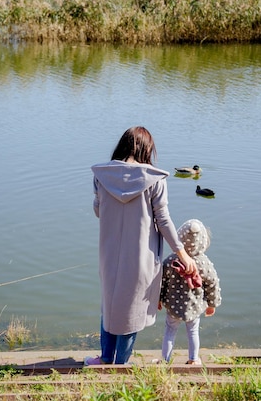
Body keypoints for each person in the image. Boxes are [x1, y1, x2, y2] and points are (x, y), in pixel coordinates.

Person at [85, 126, 197, 366]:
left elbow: (97, 210)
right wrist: (183, 254)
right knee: (131, 312)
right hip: (141, 258)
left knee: (110, 304)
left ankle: (105, 359)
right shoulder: (153, 180)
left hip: (109, 253)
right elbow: (163, 221)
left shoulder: (101, 175)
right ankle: (120, 364)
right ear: (147, 149)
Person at [159, 219, 221, 365]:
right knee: (193, 332)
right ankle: (193, 359)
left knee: (169, 332)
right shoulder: (204, 263)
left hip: (173, 306)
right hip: (194, 307)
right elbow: (212, 284)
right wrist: (212, 304)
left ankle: (165, 360)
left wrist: (158, 299)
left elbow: (161, 282)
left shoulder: (170, 261)